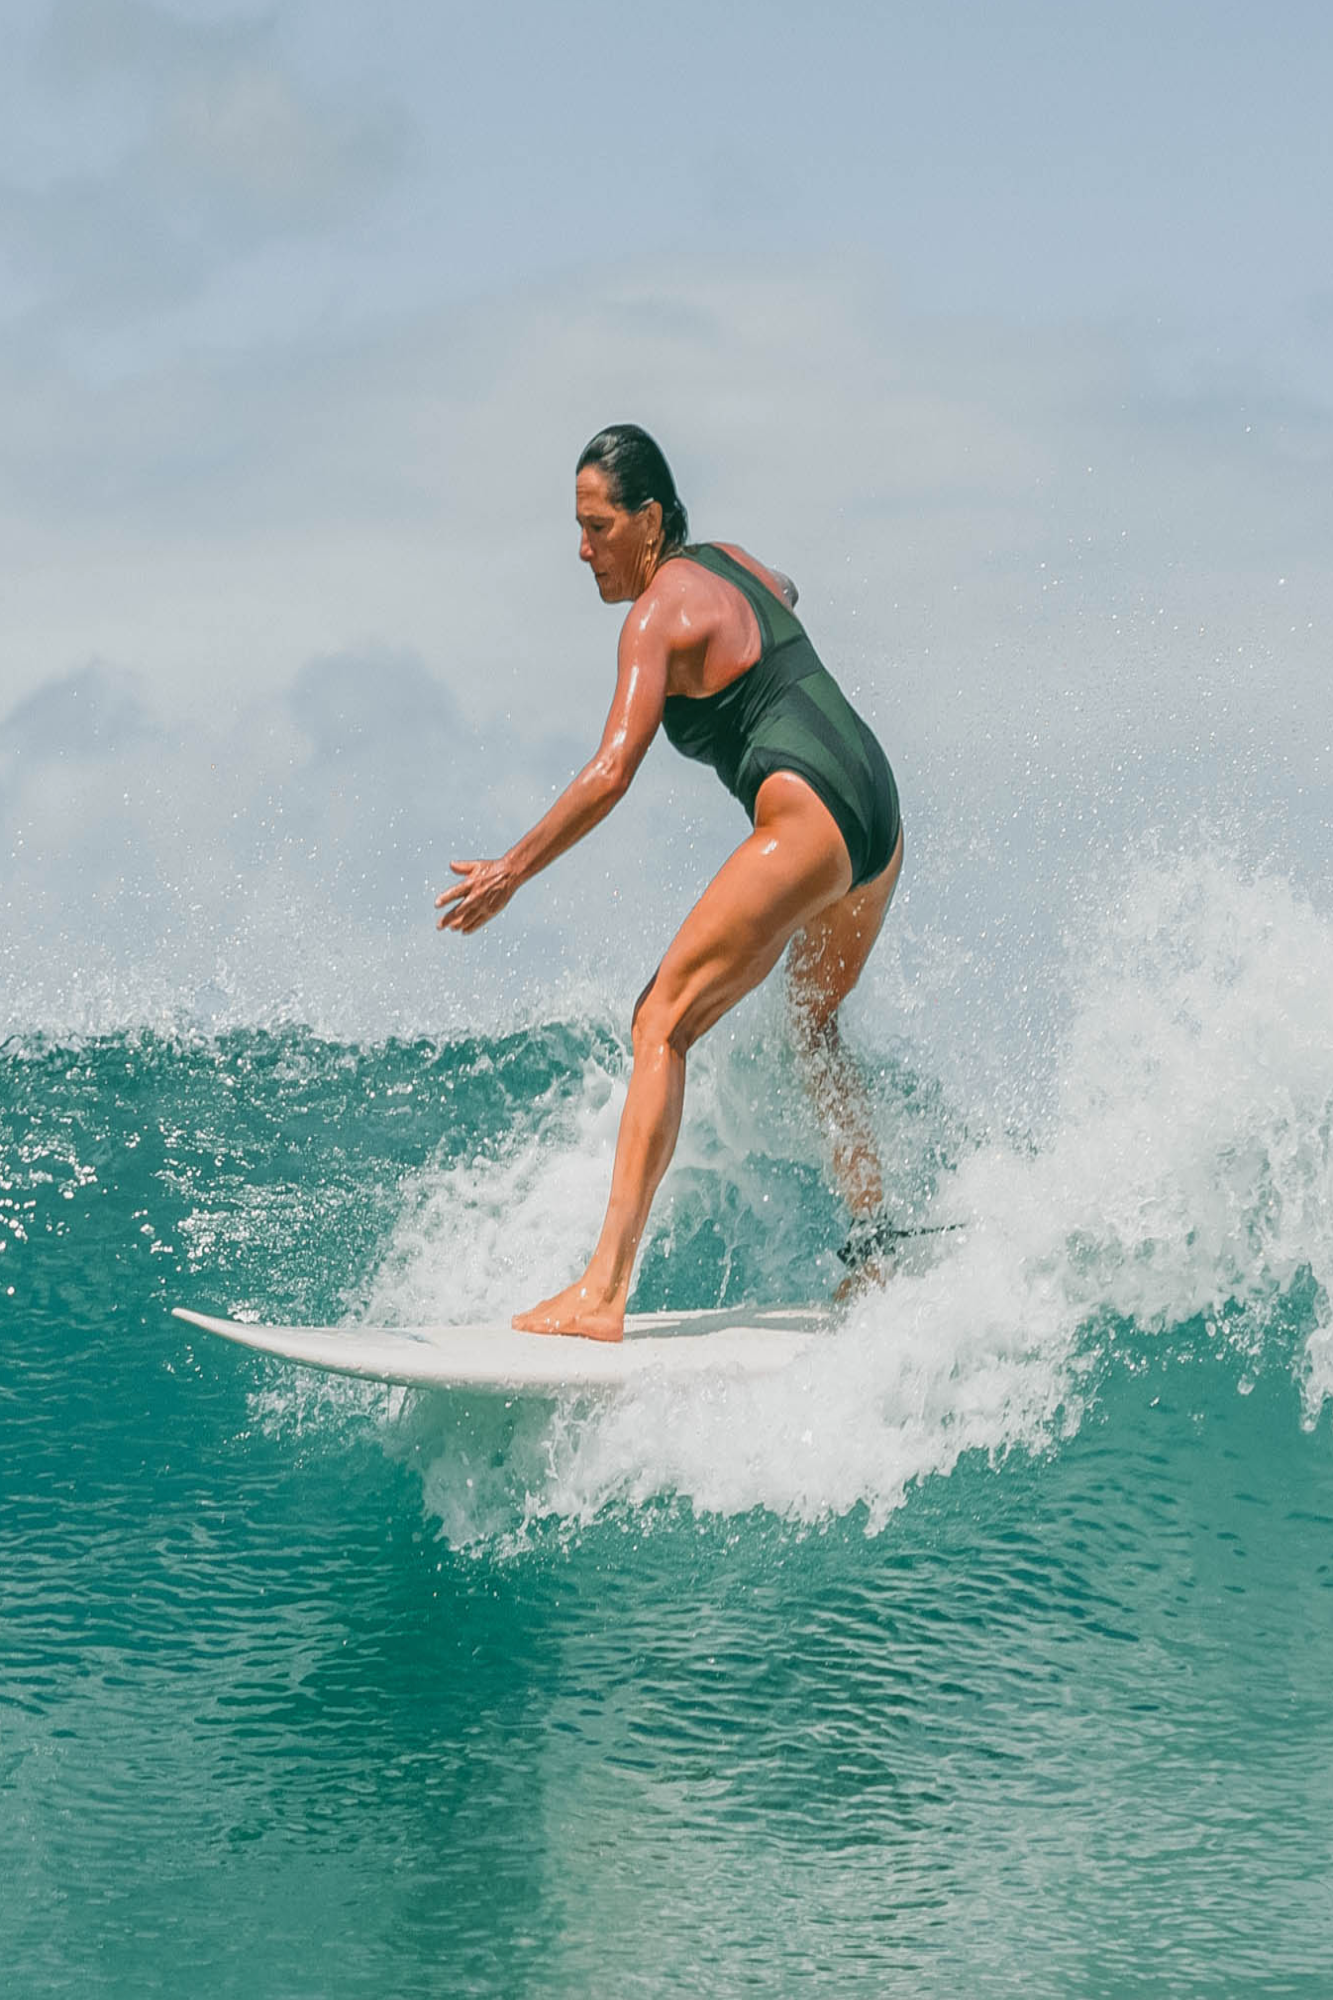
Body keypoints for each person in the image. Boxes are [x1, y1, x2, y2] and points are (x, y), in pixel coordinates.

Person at [436, 424, 903, 1340]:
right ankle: (877, 1247)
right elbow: (786, 589)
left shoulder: (650, 617)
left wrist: (512, 871)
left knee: (660, 1021)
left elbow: (613, 769)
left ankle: (602, 1293)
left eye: (598, 526)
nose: (582, 550)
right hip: (878, 811)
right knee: (812, 1024)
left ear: (648, 521)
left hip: (808, 810)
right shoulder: (729, 562)